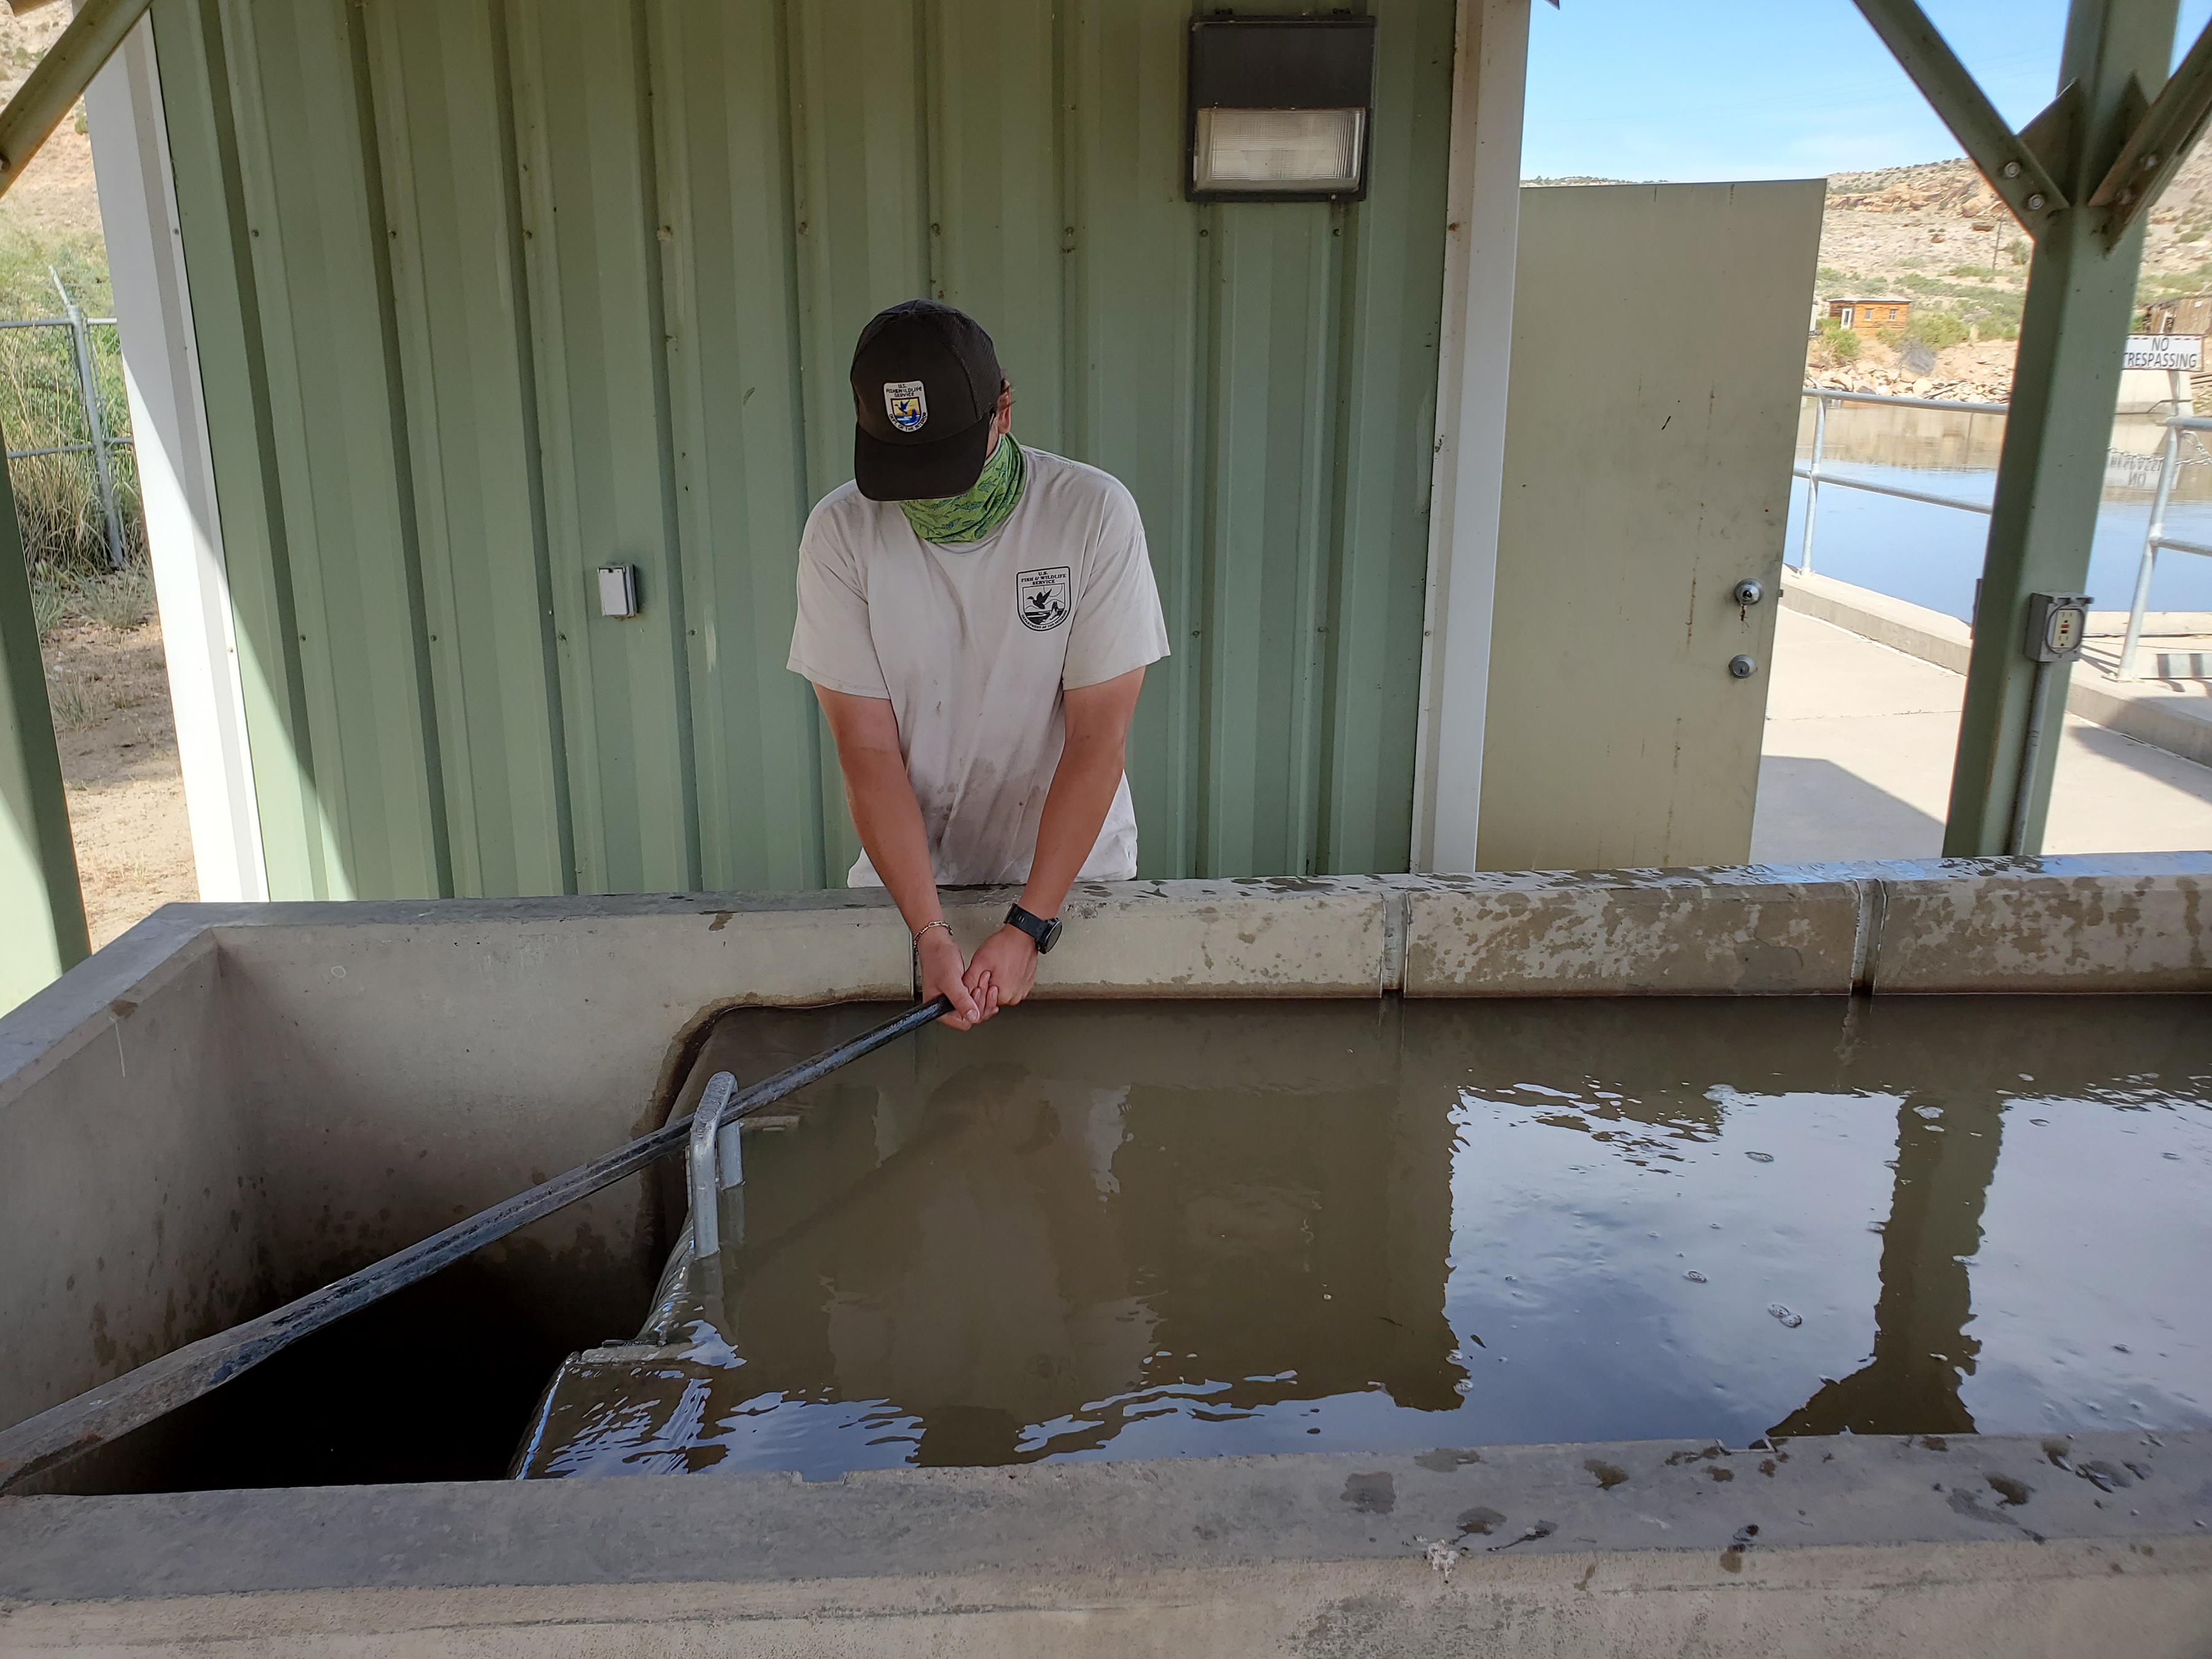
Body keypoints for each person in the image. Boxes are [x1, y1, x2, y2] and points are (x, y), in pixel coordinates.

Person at [788, 300, 1169, 1030]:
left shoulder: (1091, 515)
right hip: (915, 886)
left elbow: (1098, 740)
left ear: (1003, 412)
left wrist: (1030, 926)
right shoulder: (840, 534)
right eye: (908, 470)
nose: (928, 493)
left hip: (1069, 882)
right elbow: (865, 749)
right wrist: (930, 933)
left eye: (945, 464)